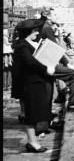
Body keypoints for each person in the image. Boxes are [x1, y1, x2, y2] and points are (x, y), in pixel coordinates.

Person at [12, 19, 54, 153]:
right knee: (31, 114)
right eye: (35, 31)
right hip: (29, 84)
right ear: (29, 32)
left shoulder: (26, 44)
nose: (37, 33)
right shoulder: (22, 46)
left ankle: (33, 141)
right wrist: (46, 68)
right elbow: (30, 63)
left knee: (34, 113)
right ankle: (32, 142)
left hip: (34, 83)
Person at [38, 7, 74, 111]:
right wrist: (68, 63)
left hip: (42, 61)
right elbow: (54, 48)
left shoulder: (41, 25)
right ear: (48, 16)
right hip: (46, 63)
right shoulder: (47, 27)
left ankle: (63, 96)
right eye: (55, 15)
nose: (57, 17)